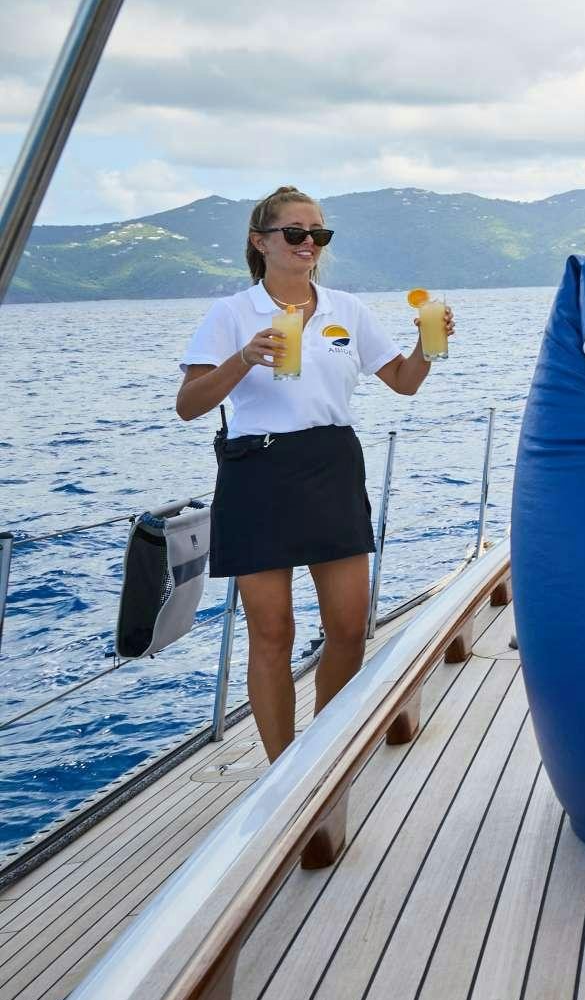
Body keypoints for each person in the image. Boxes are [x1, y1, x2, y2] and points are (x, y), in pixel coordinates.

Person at [175, 186, 453, 759]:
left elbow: (403, 381)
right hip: (258, 472)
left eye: (318, 234)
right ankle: (282, 771)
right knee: (273, 634)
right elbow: (189, 403)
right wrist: (244, 358)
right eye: (295, 234)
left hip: (330, 464)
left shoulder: (346, 310)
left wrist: (430, 344)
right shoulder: (232, 314)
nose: (309, 244)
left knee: (350, 630)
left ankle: (322, 757)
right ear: (261, 242)